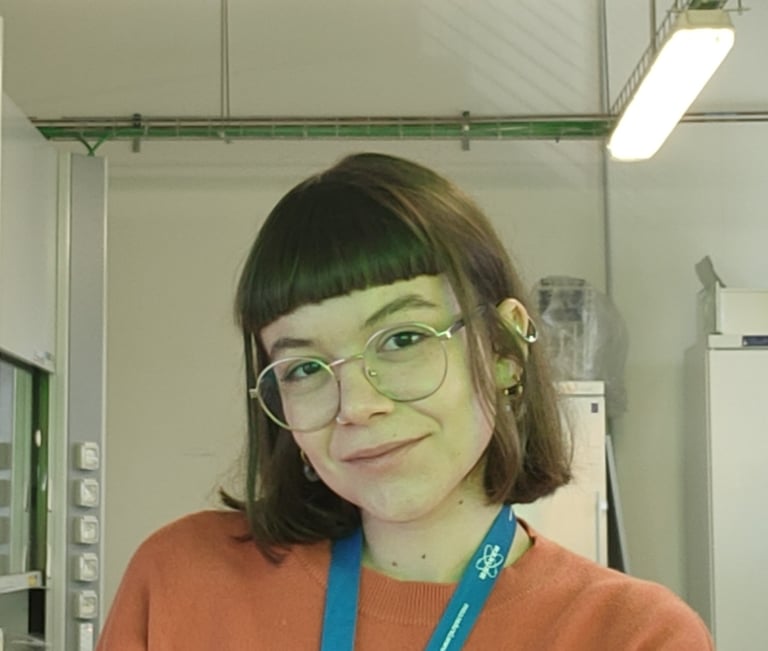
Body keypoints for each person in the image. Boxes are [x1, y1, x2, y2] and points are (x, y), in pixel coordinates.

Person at [96, 152, 713, 650]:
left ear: (503, 349)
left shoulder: (634, 637)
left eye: (403, 338)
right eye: (306, 367)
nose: (356, 405)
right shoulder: (181, 582)